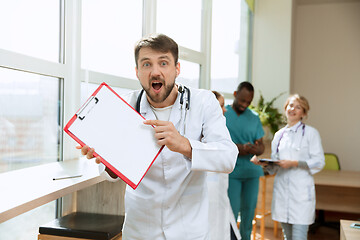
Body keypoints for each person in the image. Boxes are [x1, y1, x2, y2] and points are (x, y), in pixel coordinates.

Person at [78, 33, 238, 240]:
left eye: (163, 63)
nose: (155, 72)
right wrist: (109, 163)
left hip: (189, 230)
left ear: (177, 69)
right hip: (141, 229)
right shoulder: (124, 107)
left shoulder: (203, 102)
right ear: (137, 72)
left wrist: (184, 145)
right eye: (146, 64)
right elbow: (109, 173)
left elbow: (228, 157)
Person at [251, 94, 325, 240]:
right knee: (287, 236)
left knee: (299, 237)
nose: (293, 109)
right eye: (290, 105)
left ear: (303, 113)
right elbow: (275, 167)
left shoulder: (311, 133)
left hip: (301, 194)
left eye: (298, 107)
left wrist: (294, 163)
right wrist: (264, 164)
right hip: (283, 193)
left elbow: (319, 161)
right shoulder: (279, 136)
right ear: (285, 108)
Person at [224, 81, 265, 240]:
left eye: (248, 102)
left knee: (249, 211)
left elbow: (261, 145)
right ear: (235, 95)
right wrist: (241, 148)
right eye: (242, 100)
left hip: (251, 172)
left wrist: (257, 149)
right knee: (232, 211)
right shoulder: (222, 113)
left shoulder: (253, 117)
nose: (244, 105)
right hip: (232, 171)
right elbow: (217, 142)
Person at [207, 91, 240, 240]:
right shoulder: (203, 131)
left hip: (219, 196)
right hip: (209, 197)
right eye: (221, 105)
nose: (225, 109)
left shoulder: (220, 130)